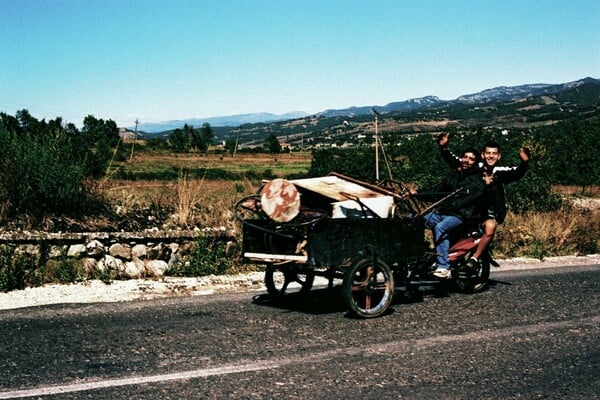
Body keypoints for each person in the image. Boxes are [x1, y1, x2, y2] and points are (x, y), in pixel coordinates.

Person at [437, 133, 530, 270]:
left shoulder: (500, 172)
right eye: (488, 153)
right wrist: (443, 148)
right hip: (471, 211)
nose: (491, 156)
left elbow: (517, 173)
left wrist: (525, 162)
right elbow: (457, 161)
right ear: (483, 154)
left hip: (490, 214)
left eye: (494, 154)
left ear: (499, 156)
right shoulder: (477, 167)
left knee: (490, 226)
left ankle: (475, 258)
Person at [416, 147, 485, 279]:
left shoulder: (477, 181)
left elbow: (466, 201)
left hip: (461, 216)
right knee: (415, 219)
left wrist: (447, 204)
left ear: (475, 162)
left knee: (440, 227)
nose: (467, 160)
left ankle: (444, 267)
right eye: (465, 157)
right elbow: (437, 193)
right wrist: (417, 194)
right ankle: (416, 257)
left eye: (471, 159)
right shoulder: (453, 176)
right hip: (443, 212)